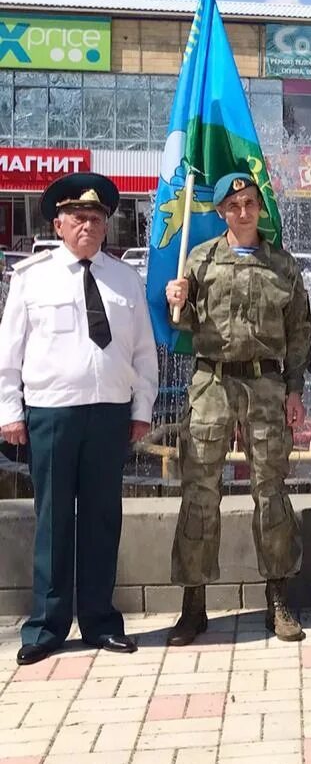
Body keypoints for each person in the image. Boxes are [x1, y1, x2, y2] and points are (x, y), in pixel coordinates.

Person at [0, 173, 158, 665]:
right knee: (51, 520)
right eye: (77, 218)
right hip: (51, 413)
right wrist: (9, 411)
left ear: (106, 225)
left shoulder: (125, 278)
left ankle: (100, 621)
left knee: (101, 518)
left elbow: (143, 353)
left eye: (96, 218)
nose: (87, 226)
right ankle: (45, 628)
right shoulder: (32, 277)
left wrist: (142, 409)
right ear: (59, 223)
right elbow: (9, 352)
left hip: (110, 414)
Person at [165, 173, 311, 645]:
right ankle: (193, 603)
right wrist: (178, 302)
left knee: (271, 492)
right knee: (200, 493)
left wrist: (294, 391)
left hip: (266, 385)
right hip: (212, 381)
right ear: (222, 212)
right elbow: (184, 326)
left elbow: (298, 335)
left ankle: (278, 598)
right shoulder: (201, 260)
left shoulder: (283, 265)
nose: (243, 212)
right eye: (234, 206)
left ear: (259, 208)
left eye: (250, 203)